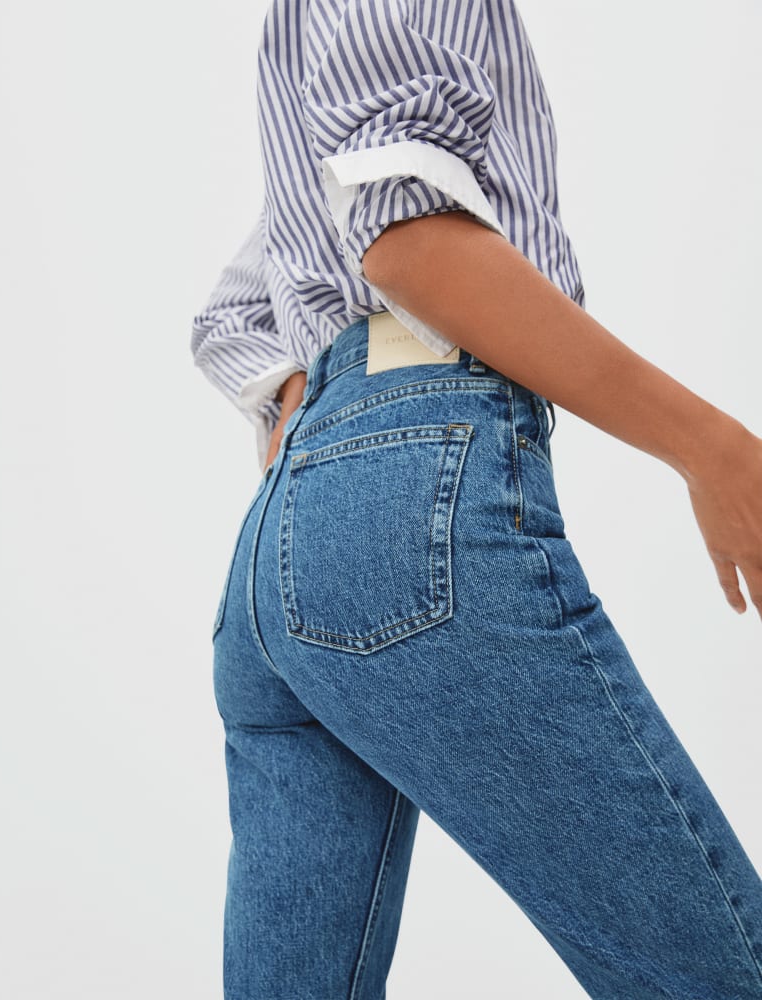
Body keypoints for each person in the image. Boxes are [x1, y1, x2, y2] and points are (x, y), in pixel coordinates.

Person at [190, 0, 762, 996]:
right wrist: (711, 449)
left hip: (282, 553)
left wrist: (325, 427)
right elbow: (406, 236)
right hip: (404, 493)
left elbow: (235, 317)